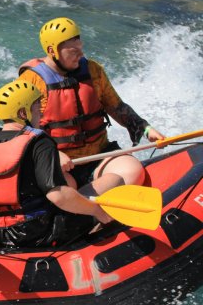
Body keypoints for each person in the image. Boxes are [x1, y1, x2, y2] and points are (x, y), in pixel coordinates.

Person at [0, 80, 121, 248]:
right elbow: (57, 195)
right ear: (22, 113)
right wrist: (97, 211)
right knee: (114, 180)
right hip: (40, 232)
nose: (41, 114)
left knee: (69, 183)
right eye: (37, 107)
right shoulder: (39, 142)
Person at [18, 17, 165, 190]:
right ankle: (87, 204)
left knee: (132, 171)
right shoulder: (32, 81)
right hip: (58, 162)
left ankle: (84, 203)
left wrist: (145, 128)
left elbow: (116, 106)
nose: (80, 55)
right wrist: (53, 154)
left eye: (80, 48)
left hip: (99, 156)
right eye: (73, 51)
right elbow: (23, 131)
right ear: (52, 50)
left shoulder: (93, 70)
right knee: (63, 187)